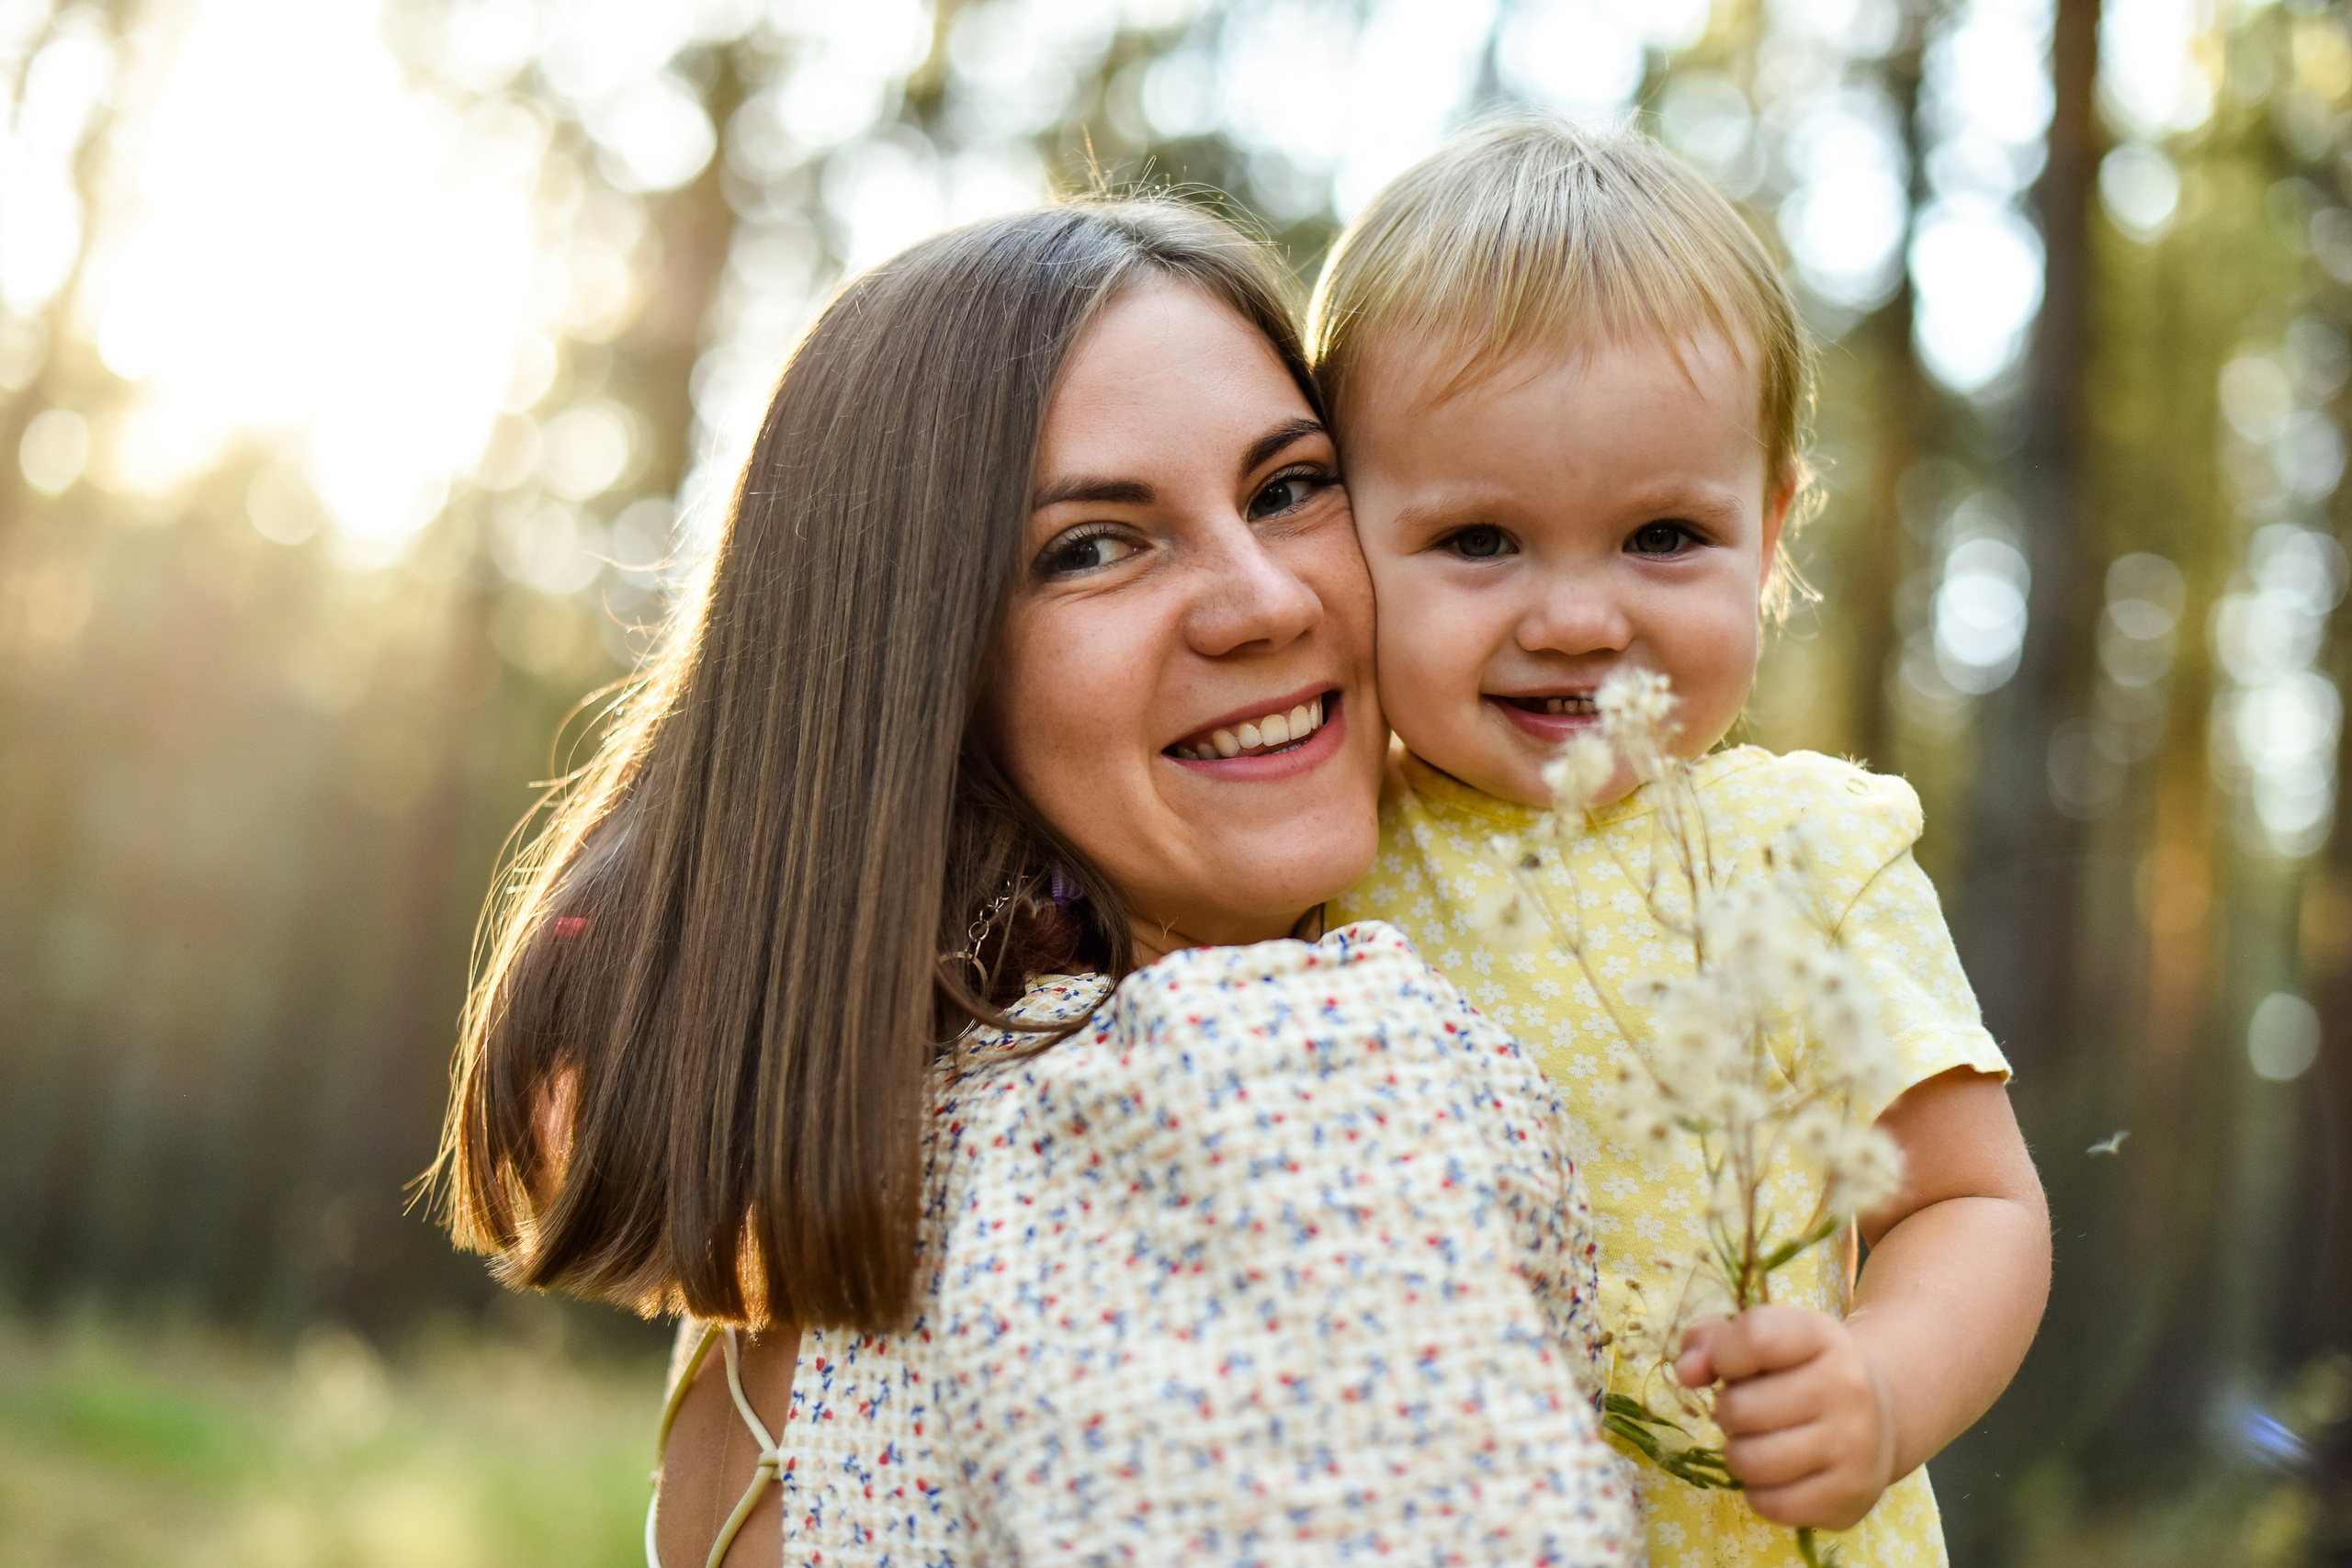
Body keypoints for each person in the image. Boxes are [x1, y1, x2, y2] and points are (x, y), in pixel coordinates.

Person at [435, 198, 1639, 1568]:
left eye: (1288, 488)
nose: (1266, 599)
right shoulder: (1262, 1085)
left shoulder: (829, 1213)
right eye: (1092, 547)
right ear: (916, 678)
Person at [1316, 118, 2052, 1568]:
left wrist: (1884, 1386)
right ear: (1341, 535)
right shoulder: (1322, 847)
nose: (1578, 617)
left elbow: (1971, 1197)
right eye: (1479, 540)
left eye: (1662, 536)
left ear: (1770, 535)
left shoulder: (1801, 853)